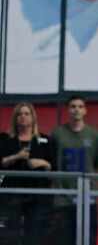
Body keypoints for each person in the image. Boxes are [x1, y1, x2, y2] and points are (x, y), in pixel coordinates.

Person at [0, 103, 55, 245]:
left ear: (33, 118)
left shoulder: (45, 140)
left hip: (38, 195)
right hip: (11, 194)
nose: (23, 117)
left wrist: (42, 163)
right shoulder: (5, 139)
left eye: (26, 114)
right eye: (19, 114)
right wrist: (16, 157)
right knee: (10, 234)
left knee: (35, 234)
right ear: (15, 118)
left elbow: (54, 167)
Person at [52, 95, 98, 245]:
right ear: (68, 110)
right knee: (64, 238)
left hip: (87, 196)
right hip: (63, 197)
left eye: (80, 106)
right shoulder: (57, 134)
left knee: (89, 238)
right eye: (73, 106)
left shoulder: (94, 135)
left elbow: (97, 163)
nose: (76, 110)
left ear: (85, 110)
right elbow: (54, 162)